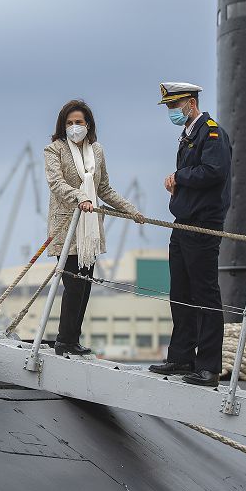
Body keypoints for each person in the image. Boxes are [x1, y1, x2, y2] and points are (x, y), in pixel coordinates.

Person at [44, 99, 144, 356]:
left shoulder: (97, 151)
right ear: (62, 126)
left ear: (88, 124)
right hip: (67, 226)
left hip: (89, 231)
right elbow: (55, 183)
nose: (74, 127)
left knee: (86, 285)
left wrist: (131, 210)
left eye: (78, 122)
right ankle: (64, 340)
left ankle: (73, 339)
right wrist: (81, 197)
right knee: (74, 284)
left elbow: (104, 188)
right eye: (69, 123)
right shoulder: (54, 150)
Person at [149, 82, 231, 387]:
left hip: (202, 225)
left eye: (175, 106)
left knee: (205, 294)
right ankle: (181, 355)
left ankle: (208, 365)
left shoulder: (211, 133)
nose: (172, 111)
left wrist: (178, 177)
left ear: (191, 103)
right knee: (181, 292)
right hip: (183, 223)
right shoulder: (188, 136)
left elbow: (215, 172)